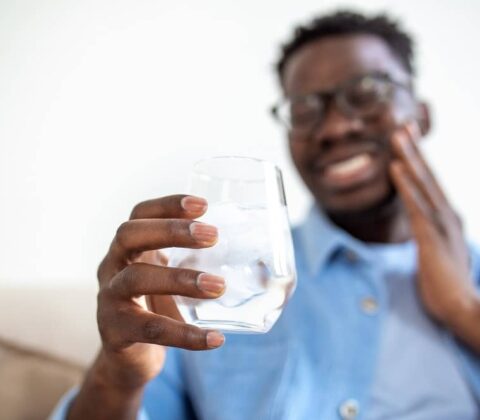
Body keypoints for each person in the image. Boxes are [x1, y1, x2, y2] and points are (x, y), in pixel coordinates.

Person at [51, 10, 480, 420]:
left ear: (421, 116)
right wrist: (118, 375)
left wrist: (464, 310)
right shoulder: (211, 285)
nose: (333, 129)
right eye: (304, 110)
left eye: (367, 93)